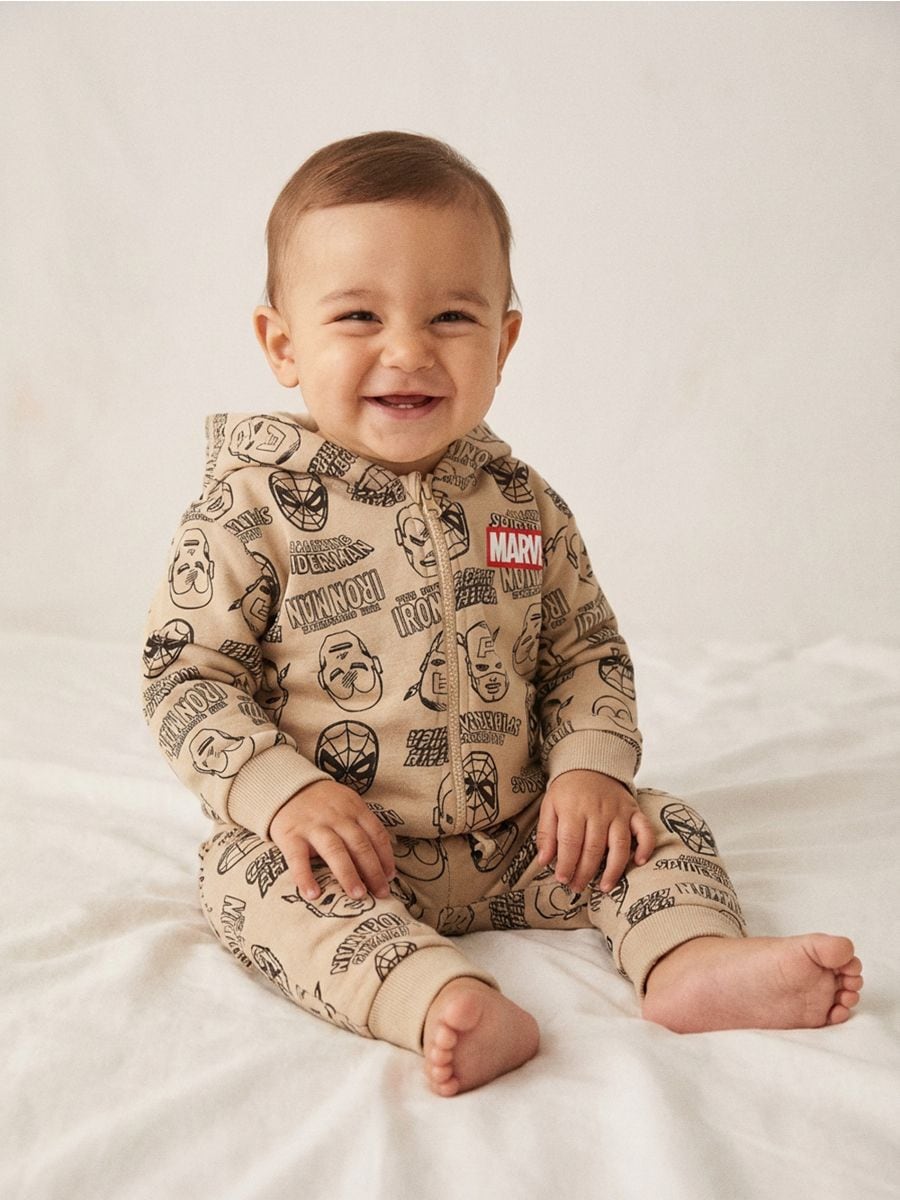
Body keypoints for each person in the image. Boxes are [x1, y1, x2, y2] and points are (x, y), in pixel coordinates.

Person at [141, 132, 863, 1097]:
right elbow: (187, 678)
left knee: (656, 822)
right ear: (283, 344)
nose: (408, 350)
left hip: (524, 837)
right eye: (358, 316)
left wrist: (589, 771)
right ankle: (437, 999)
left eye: (451, 315)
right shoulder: (248, 511)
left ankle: (688, 960)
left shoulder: (521, 503)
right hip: (346, 850)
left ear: (504, 342)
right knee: (247, 883)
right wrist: (282, 795)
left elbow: (585, 654)